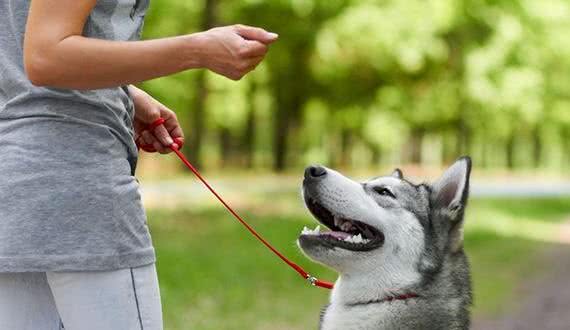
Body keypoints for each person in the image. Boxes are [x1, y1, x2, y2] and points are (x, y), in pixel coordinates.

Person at [0, 0, 278, 329]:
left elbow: (20, 50)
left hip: (15, 187)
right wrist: (197, 50)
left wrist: (124, 95)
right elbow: (44, 56)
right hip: (80, 185)